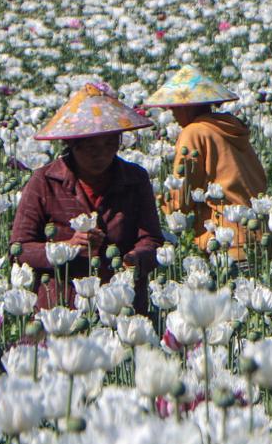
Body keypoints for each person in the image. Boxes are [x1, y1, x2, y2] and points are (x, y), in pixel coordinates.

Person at [11, 82, 165, 313]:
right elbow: (19, 249)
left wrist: (134, 259)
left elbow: (152, 240)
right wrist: (66, 248)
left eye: (108, 143)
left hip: (120, 303)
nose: (100, 153)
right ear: (71, 144)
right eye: (90, 145)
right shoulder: (44, 181)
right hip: (60, 307)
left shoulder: (135, 179)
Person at [146, 64, 267, 262]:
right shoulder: (231, 128)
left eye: (174, 107)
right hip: (262, 235)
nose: (172, 114)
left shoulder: (194, 132)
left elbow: (183, 199)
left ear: (186, 106)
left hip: (227, 241)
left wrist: (157, 201)